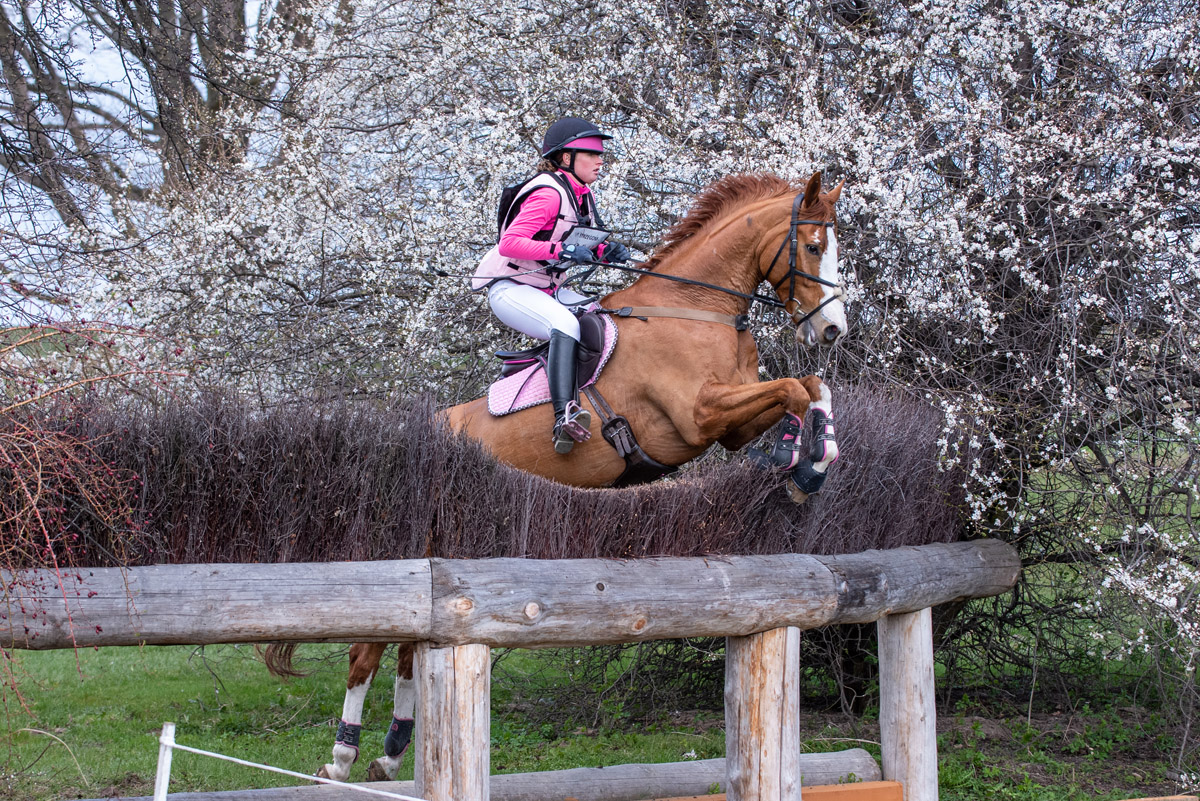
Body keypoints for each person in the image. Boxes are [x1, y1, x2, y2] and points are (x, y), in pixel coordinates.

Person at [472, 117, 632, 455]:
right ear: (565, 158)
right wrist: (561, 251)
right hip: (511, 287)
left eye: (601, 154)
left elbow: (578, 241)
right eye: (592, 154)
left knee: (605, 317)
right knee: (565, 324)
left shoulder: (581, 196)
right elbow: (510, 243)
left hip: (545, 288)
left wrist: (605, 251)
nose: (601, 161)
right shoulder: (548, 193)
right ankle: (565, 415)